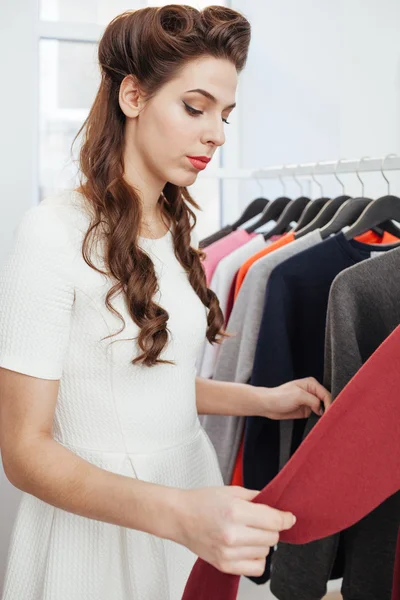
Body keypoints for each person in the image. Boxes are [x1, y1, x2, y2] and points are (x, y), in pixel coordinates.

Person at [0, 5, 331, 599]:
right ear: (133, 95)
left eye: (226, 115)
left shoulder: (177, 232)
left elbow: (140, 377)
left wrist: (263, 400)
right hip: (103, 526)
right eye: (195, 107)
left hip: (189, 491)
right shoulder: (51, 233)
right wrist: (178, 514)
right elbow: (24, 450)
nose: (218, 134)